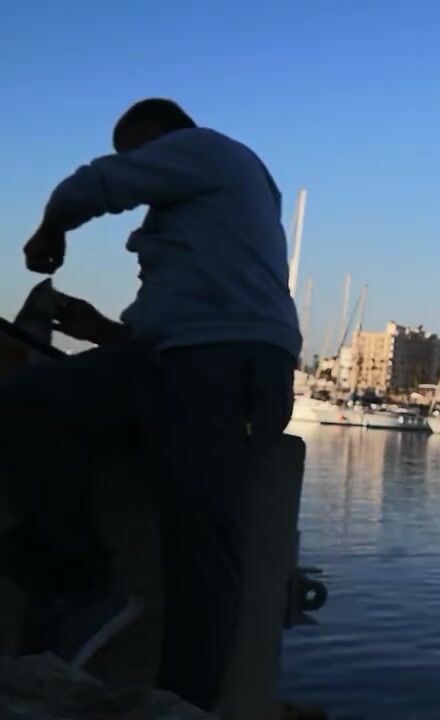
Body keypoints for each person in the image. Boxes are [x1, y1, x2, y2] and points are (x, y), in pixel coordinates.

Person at [1, 98, 300, 711]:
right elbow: (181, 320)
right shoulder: (208, 210)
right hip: (175, 365)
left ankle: (184, 703)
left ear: (162, 138)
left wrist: (51, 228)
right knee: (29, 401)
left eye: (137, 152)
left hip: (225, 371)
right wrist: (103, 331)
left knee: (201, 550)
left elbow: (93, 185)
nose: (138, 167)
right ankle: (81, 583)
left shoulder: (208, 149)